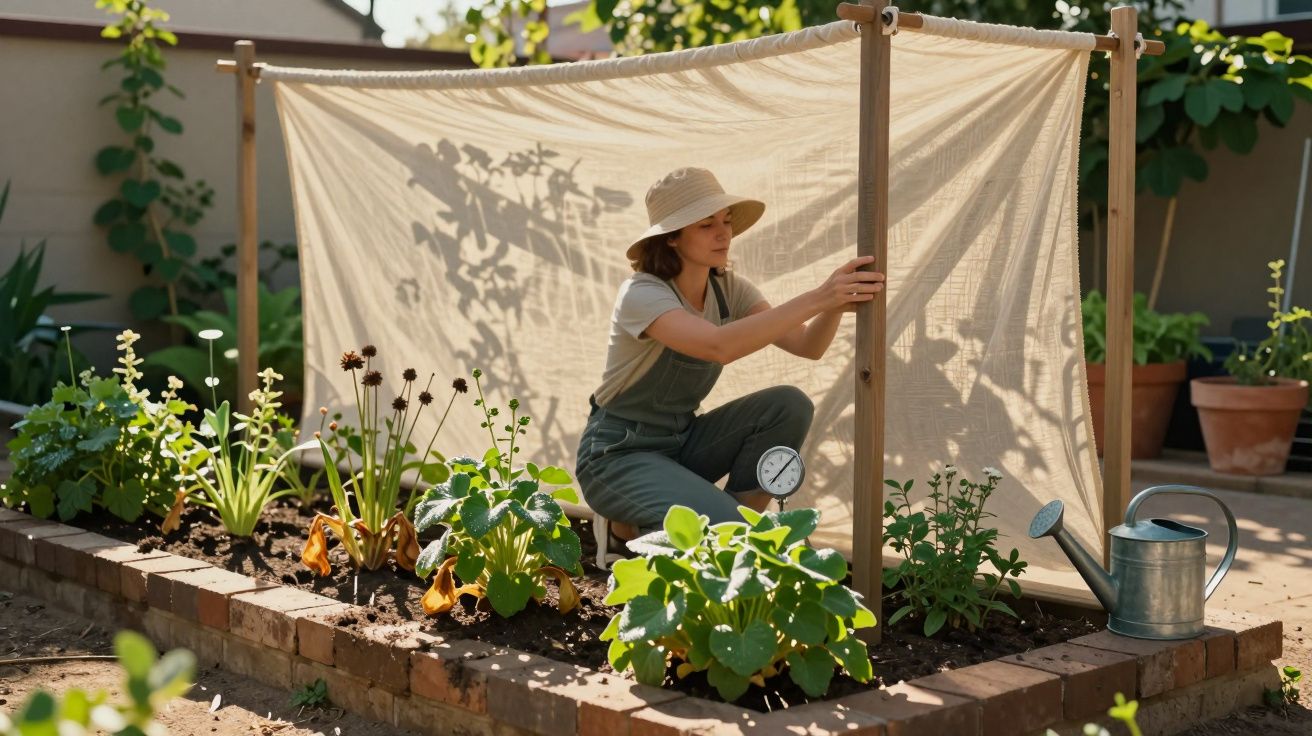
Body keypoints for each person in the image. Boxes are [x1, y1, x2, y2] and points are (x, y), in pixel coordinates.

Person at [575, 167, 885, 544]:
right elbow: (718, 346)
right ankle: (636, 528)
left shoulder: (727, 289)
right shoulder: (641, 294)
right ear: (672, 238)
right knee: (732, 531)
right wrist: (819, 296)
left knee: (788, 405)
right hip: (617, 455)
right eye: (706, 225)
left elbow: (808, 347)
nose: (724, 233)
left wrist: (835, 305)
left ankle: (711, 534)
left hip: (680, 444)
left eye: (725, 221)